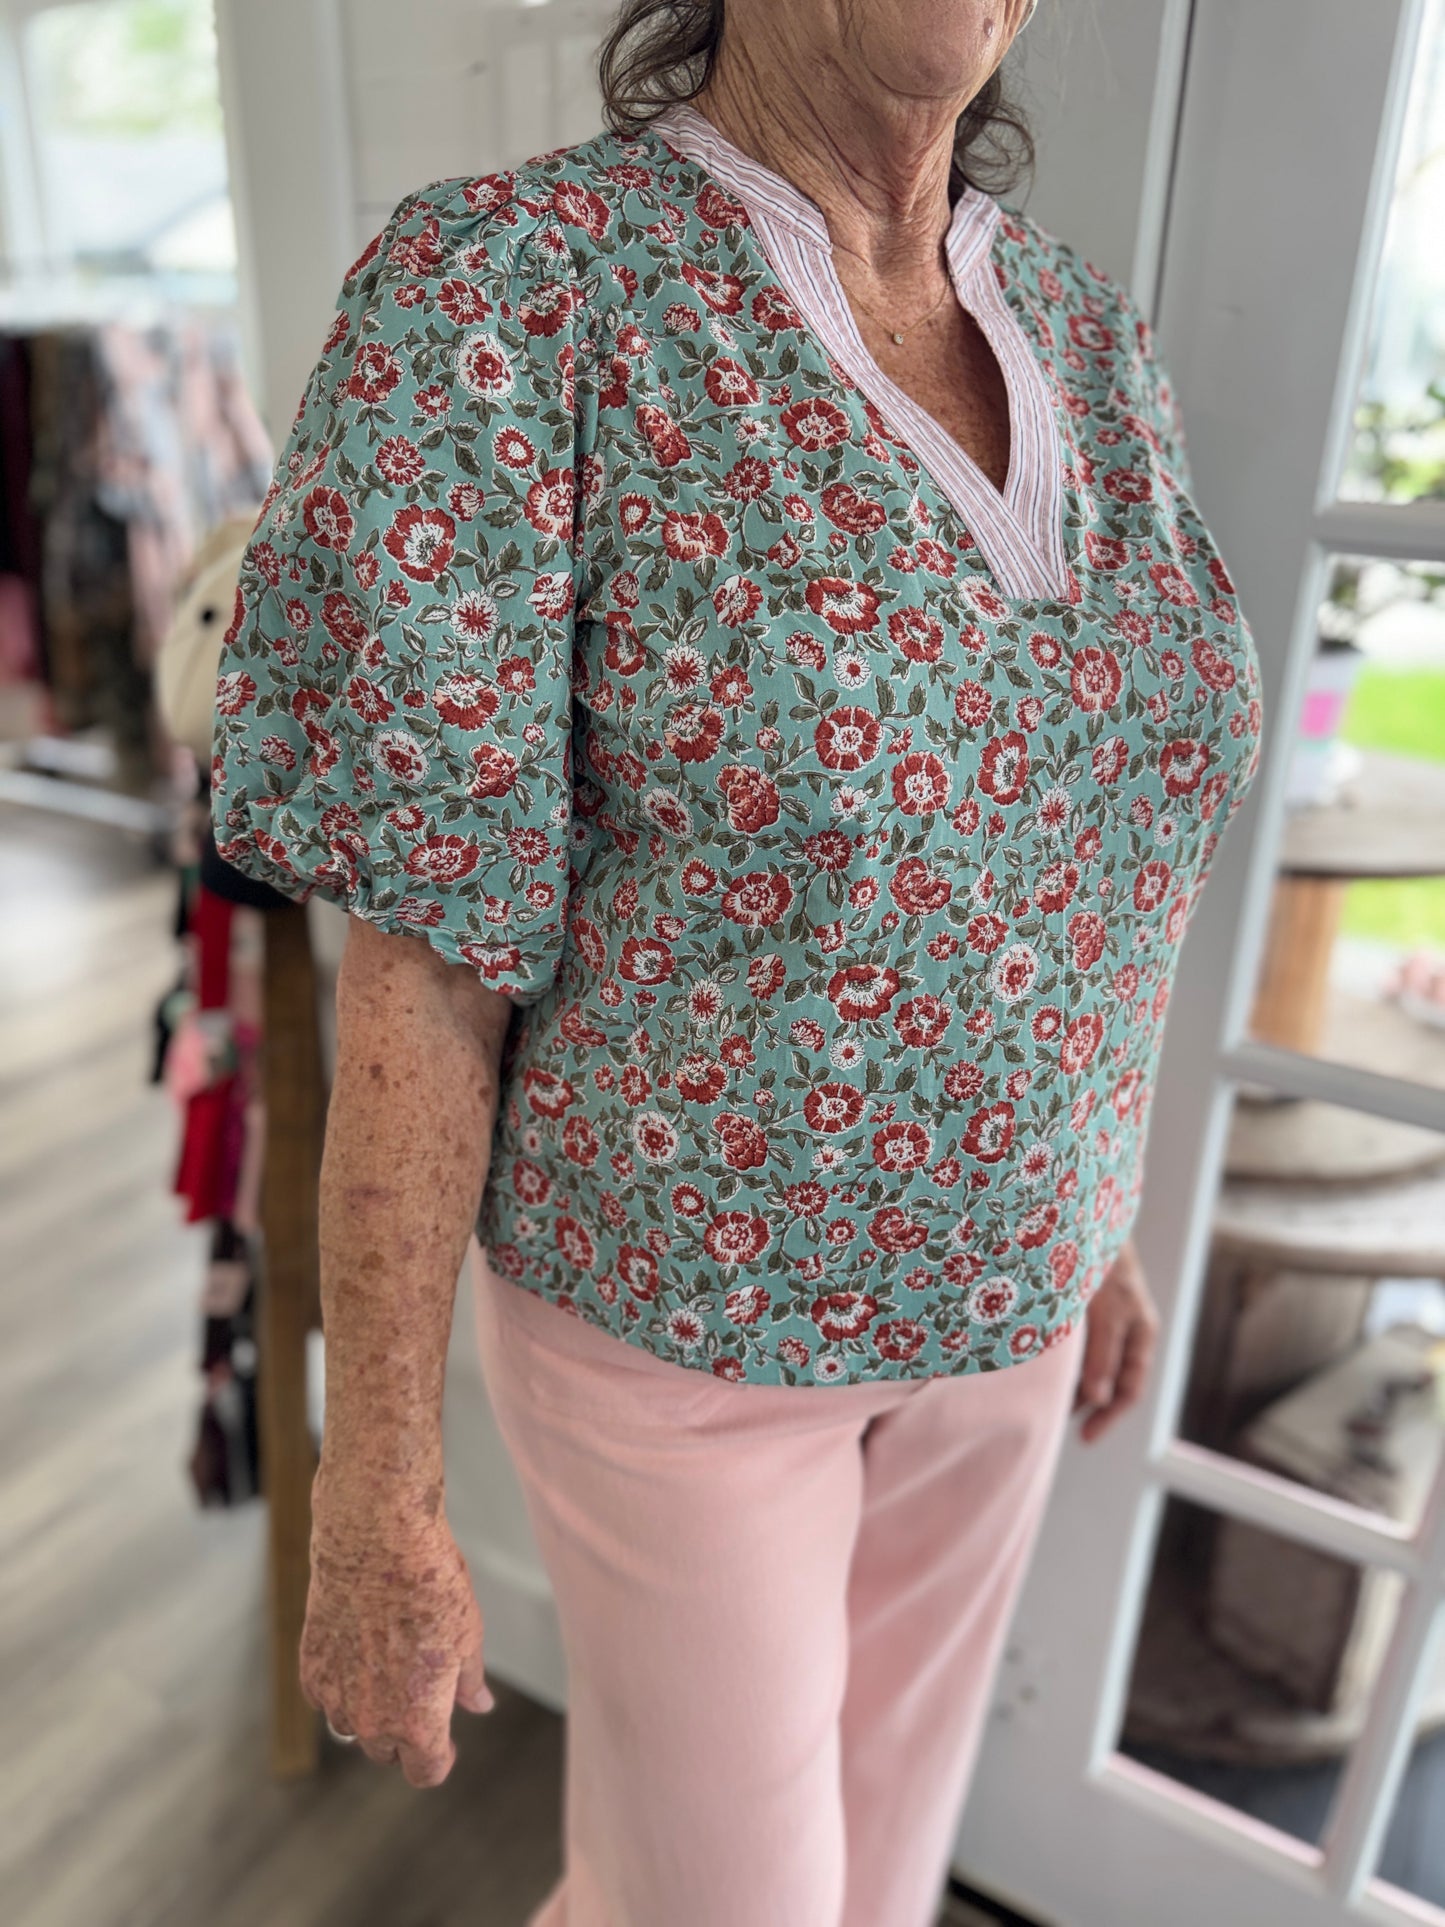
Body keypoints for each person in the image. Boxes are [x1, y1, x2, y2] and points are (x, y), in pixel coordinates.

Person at [210, 0, 1264, 1920]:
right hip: (685, 1335)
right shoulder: (514, 293)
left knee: (886, 1867)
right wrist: (374, 1491)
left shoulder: (1086, 335)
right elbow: (425, 951)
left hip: (1009, 1313)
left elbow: (1087, 836)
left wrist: (1097, 1221)